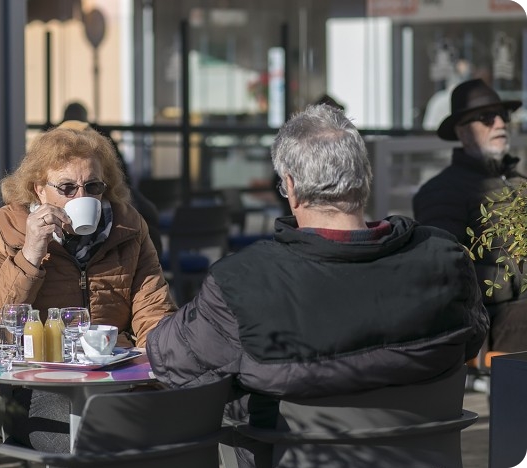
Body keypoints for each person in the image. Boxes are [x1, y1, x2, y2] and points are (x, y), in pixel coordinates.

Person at [147, 104, 489, 468]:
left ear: (290, 187)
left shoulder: (244, 282)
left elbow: (174, 363)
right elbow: (471, 339)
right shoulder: (445, 260)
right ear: (365, 177)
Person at [0, 124, 176, 451]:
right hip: (32, 385)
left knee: (181, 425)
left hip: (114, 377)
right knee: (89, 442)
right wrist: (31, 253)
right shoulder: (4, 232)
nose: (83, 197)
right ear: (38, 190)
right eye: (67, 187)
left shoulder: (129, 229)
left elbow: (154, 315)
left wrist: (149, 378)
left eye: (93, 186)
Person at [413, 78, 526, 355]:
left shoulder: (520, 182)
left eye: (503, 115)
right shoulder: (442, 191)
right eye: (487, 118)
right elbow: (445, 273)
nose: (500, 123)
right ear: (463, 133)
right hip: (497, 323)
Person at [60, 101, 164, 255]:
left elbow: (151, 262)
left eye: (92, 185)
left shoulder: (129, 215)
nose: (80, 193)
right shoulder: (26, 223)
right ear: (40, 187)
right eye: (67, 186)